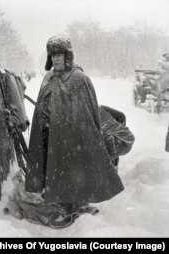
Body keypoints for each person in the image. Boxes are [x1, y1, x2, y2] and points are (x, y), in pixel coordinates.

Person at [24, 34, 124, 216]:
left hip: (71, 138)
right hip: (48, 134)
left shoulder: (78, 79)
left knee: (73, 170)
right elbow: (43, 103)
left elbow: (87, 114)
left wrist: (69, 126)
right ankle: (57, 196)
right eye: (52, 55)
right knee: (52, 169)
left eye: (59, 54)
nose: (55, 58)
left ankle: (75, 202)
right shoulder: (48, 77)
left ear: (67, 55)